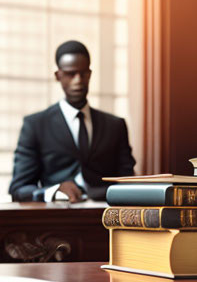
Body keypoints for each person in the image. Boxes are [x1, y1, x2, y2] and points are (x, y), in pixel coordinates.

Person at [9, 40, 136, 202]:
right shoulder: (35, 125)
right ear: (58, 75)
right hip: (56, 218)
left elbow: (129, 183)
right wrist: (53, 191)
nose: (78, 80)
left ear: (90, 74)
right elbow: (18, 189)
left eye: (83, 73)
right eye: (70, 74)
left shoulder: (115, 126)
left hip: (106, 214)